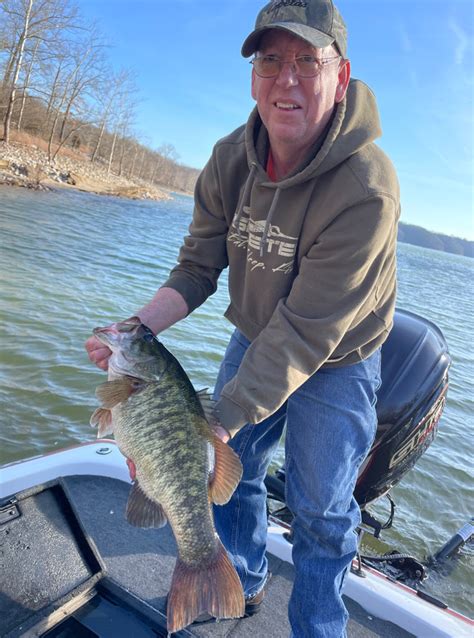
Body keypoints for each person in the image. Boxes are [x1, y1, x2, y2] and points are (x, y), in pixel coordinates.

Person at [86, 0, 400, 635]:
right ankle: (240, 579)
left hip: (338, 358)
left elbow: (308, 331)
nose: (286, 80)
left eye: (306, 62)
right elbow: (197, 266)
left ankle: (317, 626)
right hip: (255, 333)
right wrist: (135, 331)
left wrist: (213, 423)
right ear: (253, 74)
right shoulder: (230, 158)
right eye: (270, 60)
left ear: (340, 77)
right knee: (239, 472)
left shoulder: (367, 187)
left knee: (320, 509)